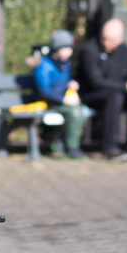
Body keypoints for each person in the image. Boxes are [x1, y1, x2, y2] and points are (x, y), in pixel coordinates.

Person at [76, 18, 127, 158]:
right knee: (115, 96)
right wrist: (126, 86)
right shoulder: (89, 50)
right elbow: (96, 82)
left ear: (121, 39)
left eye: (111, 40)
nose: (106, 43)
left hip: (119, 94)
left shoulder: (125, 51)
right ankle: (109, 147)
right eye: (104, 38)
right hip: (91, 95)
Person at [33, 30, 90, 158]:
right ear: (56, 49)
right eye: (65, 48)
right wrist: (63, 100)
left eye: (70, 48)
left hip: (62, 101)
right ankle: (71, 147)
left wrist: (71, 83)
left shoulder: (65, 64)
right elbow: (44, 91)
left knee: (85, 110)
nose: (69, 52)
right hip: (48, 102)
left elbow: (64, 81)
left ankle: (62, 141)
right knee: (76, 113)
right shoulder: (44, 66)